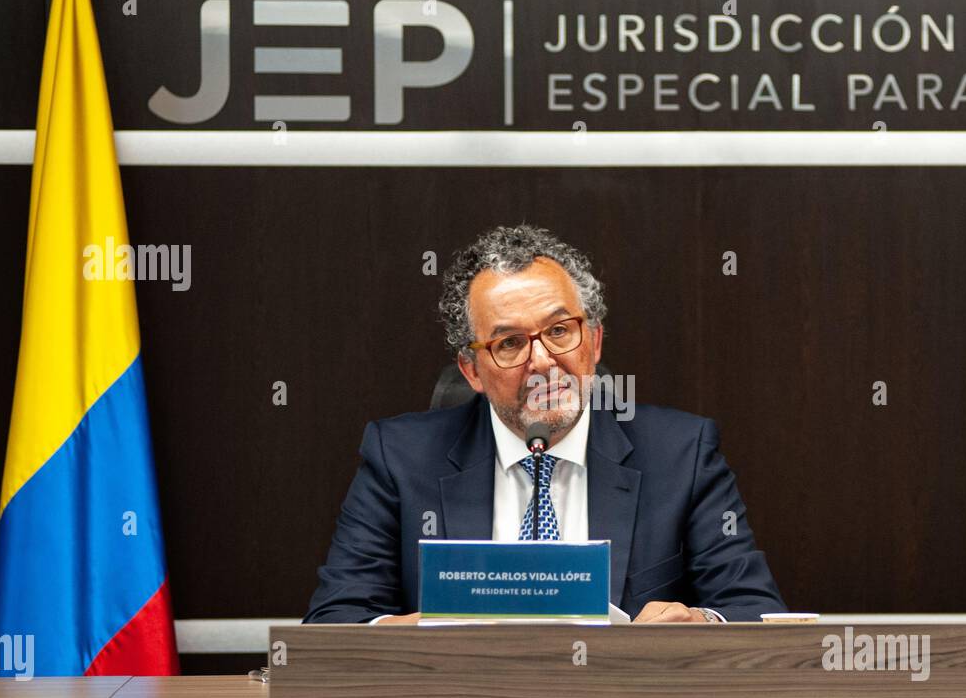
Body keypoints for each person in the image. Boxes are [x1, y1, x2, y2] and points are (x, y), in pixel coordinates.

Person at [304, 224, 786, 624]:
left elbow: (755, 611)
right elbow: (333, 622)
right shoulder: (400, 458)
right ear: (472, 370)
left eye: (559, 331)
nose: (543, 362)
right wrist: (408, 633)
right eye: (510, 343)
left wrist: (700, 624)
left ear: (594, 344)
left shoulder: (682, 454)